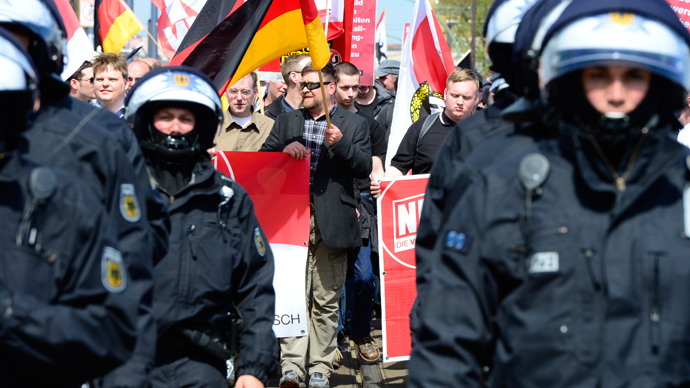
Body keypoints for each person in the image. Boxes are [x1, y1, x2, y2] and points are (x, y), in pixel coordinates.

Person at [409, 1, 690, 387]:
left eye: (635, 76)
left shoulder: (683, 186)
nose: (616, 93)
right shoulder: (503, 184)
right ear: (569, 79)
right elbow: (448, 342)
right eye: (598, 75)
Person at [0, 2, 170, 386]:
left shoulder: (100, 139)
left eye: (12, 34)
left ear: (45, 45)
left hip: (61, 357)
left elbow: (134, 258)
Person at [125, 65, 277, 388]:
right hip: (125, 361)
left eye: (186, 118)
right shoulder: (115, 194)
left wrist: (253, 369)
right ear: (146, 121)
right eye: (166, 116)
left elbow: (255, 289)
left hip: (201, 363)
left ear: (201, 125)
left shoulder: (227, 200)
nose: (176, 127)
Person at [261, 62, 371, 388]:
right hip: (291, 221)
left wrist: (342, 144)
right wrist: (282, 151)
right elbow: (263, 163)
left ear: (330, 87)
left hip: (333, 222)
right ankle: (292, 367)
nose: (305, 89)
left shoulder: (352, 124)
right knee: (293, 296)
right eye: (303, 84)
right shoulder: (286, 122)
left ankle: (320, 367)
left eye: (312, 84)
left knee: (325, 298)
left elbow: (363, 167)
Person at [333, 62, 386, 363]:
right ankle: (337, 337)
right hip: (334, 206)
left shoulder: (370, 125)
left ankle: (362, 332)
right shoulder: (323, 122)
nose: (352, 93)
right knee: (336, 279)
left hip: (363, 206)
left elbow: (375, 166)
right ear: (332, 87)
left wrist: (378, 182)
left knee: (365, 276)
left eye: (355, 87)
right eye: (345, 87)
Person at [383, 68, 480, 178]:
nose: (460, 102)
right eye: (455, 96)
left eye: (466, 97)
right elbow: (398, 167)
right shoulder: (421, 127)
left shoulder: (489, 131)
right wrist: (385, 186)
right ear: (445, 94)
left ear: (476, 98)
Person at [214, 72, 275, 152]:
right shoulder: (212, 125)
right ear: (225, 92)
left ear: (255, 93)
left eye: (245, 92)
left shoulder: (269, 127)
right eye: (233, 91)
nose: (239, 98)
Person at [264, 53, 311, 119]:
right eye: (309, 71)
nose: (315, 76)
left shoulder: (324, 114)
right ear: (294, 77)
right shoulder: (264, 116)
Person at [93, 52, 129, 117]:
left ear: (126, 84)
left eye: (112, 79)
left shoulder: (138, 116)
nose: (105, 84)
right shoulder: (81, 116)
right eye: (100, 79)